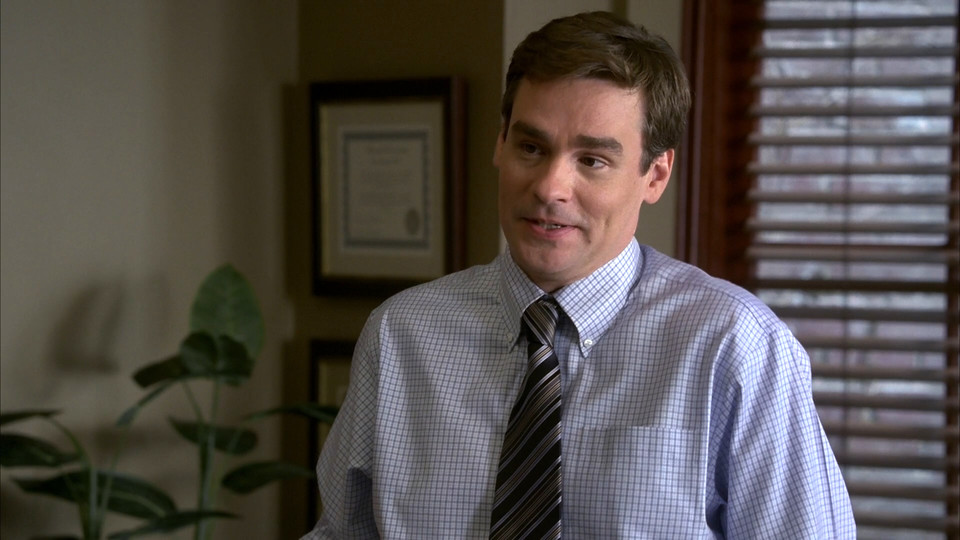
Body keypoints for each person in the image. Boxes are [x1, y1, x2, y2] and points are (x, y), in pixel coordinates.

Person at [303, 10, 855, 539]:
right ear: (500, 143)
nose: (549, 187)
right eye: (531, 147)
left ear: (655, 175)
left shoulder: (737, 348)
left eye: (592, 160)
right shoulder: (400, 336)